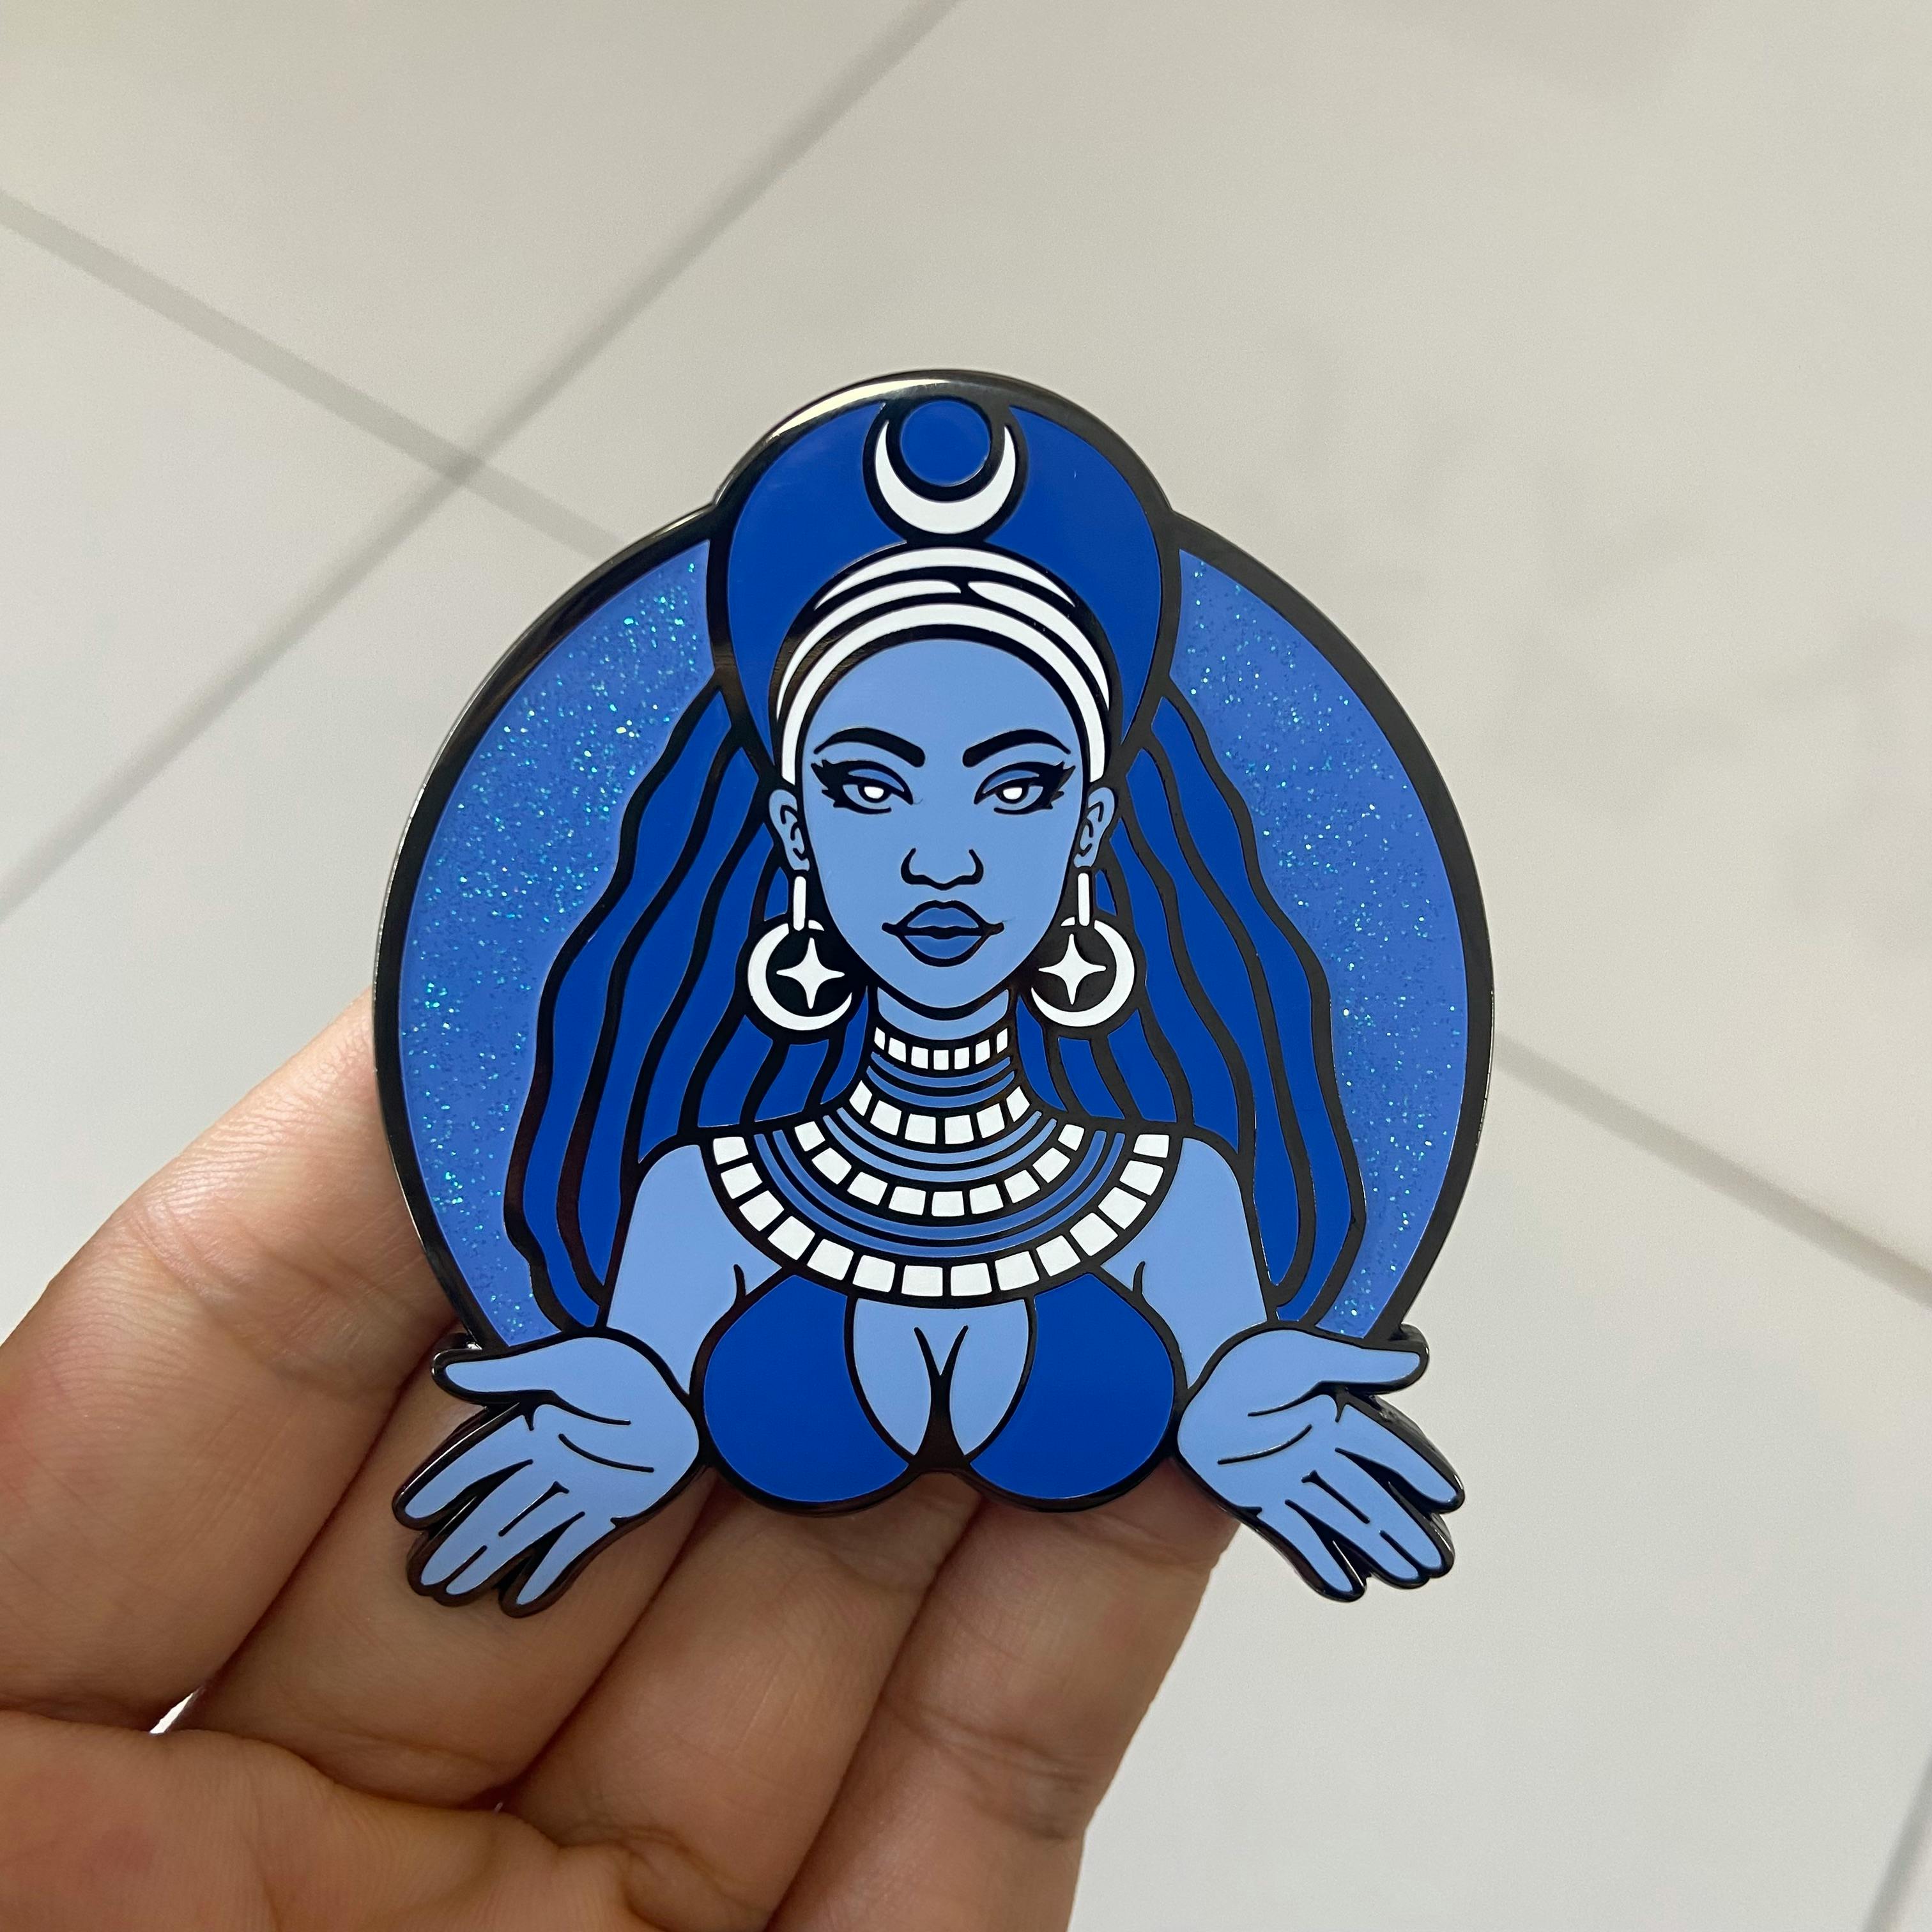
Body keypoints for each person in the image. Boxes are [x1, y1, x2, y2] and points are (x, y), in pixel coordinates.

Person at [394, 386, 1459, 1616]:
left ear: (1089, 829)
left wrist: (1241, 1412)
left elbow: (1233, 1387)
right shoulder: (694, 1198)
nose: (941, 860)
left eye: (1014, 789)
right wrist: (635, 1417)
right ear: (793, 828)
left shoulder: (1181, 1199)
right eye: (869, 787)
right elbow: (639, 1394)